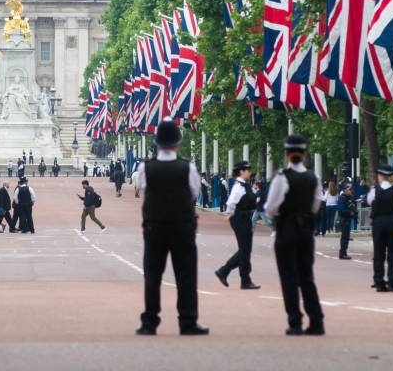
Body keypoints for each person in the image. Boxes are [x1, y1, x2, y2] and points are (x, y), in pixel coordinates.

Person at [134, 118, 208, 336]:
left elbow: (143, 188)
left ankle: (150, 321)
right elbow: (195, 192)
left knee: (152, 275)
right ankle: (188, 321)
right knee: (186, 275)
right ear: (177, 143)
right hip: (182, 227)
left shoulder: (145, 167)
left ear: (156, 143)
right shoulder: (188, 167)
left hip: (155, 226)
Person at [265, 134, 324, 335]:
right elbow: (316, 204)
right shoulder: (313, 177)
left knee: (289, 277)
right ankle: (316, 321)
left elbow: (271, 207)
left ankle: (295, 321)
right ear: (305, 153)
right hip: (306, 230)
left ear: (287, 153)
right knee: (307, 276)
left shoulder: (282, 177)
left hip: (287, 228)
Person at [215, 161, 261, 290]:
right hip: (240, 218)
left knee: (245, 250)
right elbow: (231, 201)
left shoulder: (245, 185)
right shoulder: (238, 186)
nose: (250, 172)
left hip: (244, 218)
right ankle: (242, 279)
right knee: (245, 250)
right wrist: (230, 213)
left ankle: (225, 272)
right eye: (248, 170)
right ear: (241, 171)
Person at [367, 165, 393, 292]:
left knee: (378, 252)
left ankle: (379, 281)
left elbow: (369, 201)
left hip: (378, 222)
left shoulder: (374, 190)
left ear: (381, 176)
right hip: (392, 222)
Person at [337, 181, 356, 260]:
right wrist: (350, 213)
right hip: (344, 219)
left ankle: (344, 252)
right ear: (345, 190)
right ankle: (342, 253)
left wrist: (354, 212)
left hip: (347, 219)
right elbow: (341, 210)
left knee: (346, 237)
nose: (351, 191)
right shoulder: (342, 198)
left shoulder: (349, 198)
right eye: (349, 189)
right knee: (344, 237)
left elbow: (352, 207)